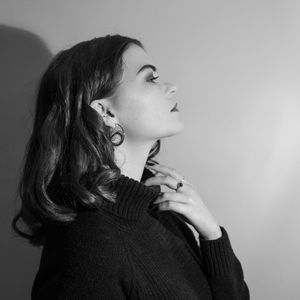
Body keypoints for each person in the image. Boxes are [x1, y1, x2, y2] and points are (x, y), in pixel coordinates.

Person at [12, 34, 250, 299]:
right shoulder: (86, 245)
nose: (171, 87)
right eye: (150, 78)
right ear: (104, 111)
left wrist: (212, 236)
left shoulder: (161, 209)